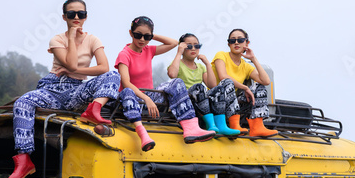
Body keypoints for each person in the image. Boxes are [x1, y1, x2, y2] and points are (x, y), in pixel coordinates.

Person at [8, 0, 120, 178]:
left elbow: (102, 67)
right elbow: (71, 63)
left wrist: (75, 71)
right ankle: (24, 158)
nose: (76, 17)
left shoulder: (92, 39)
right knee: (23, 102)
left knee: (113, 75)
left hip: (77, 90)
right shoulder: (57, 39)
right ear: (64, 17)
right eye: (71, 14)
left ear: (86, 16)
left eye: (81, 14)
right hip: (54, 89)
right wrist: (71, 36)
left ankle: (94, 110)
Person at [115, 16, 216, 151]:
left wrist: (150, 34)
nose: (142, 40)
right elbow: (126, 83)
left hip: (150, 97)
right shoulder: (125, 54)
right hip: (134, 99)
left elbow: (173, 43)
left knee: (176, 82)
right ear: (130, 33)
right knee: (127, 91)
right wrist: (146, 99)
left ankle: (191, 128)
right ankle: (143, 135)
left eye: (146, 37)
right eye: (138, 35)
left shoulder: (148, 50)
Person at [167, 33, 240, 136]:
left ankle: (221, 125)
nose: (193, 49)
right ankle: (210, 124)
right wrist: (179, 53)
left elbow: (212, 85)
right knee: (199, 87)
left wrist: (207, 64)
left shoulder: (201, 67)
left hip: (201, 99)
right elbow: (172, 74)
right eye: (189, 46)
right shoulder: (178, 63)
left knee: (218, 89)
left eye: (197, 46)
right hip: (185, 100)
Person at [211, 29, 278, 137]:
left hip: (234, 101)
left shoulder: (245, 66)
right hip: (217, 99)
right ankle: (234, 124)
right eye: (232, 40)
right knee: (227, 82)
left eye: (240, 40)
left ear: (247, 43)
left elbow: (265, 81)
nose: (236, 43)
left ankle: (257, 126)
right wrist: (245, 88)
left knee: (259, 86)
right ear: (228, 44)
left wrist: (253, 58)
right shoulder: (221, 55)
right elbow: (223, 76)